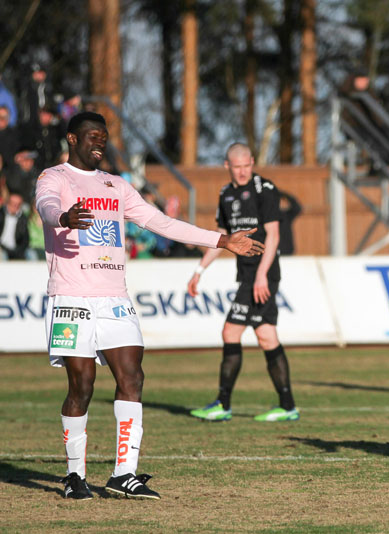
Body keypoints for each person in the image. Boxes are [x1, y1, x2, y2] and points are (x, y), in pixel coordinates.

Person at [35, 112, 264, 500]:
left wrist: (221, 240)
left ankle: (124, 474)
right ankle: (75, 475)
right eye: (92, 136)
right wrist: (63, 217)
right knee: (82, 386)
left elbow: (162, 223)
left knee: (133, 377)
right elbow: (44, 206)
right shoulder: (53, 177)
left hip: (114, 298)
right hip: (71, 297)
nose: (99, 143)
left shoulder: (117, 185)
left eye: (104, 138)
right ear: (72, 139)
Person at [188, 143, 298, 424]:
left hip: (262, 275)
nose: (242, 172)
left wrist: (262, 274)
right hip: (247, 276)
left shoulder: (266, 189)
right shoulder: (226, 194)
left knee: (231, 332)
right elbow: (222, 237)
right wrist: (200, 270)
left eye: (247, 166)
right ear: (228, 166)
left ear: (252, 162)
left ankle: (224, 404)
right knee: (265, 336)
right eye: (237, 167)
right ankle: (286, 406)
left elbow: (273, 235)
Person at [0, 192, 30, 260]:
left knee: (31, 255)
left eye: (18, 204)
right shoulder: (1, 214)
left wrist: (19, 251)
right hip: (2, 248)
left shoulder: (23, 219)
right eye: (12, 203)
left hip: (17, 249)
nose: (15, 206)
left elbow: (25, 240)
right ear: (7, 203)